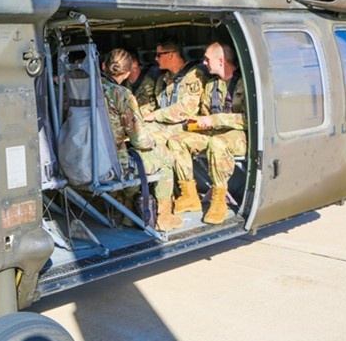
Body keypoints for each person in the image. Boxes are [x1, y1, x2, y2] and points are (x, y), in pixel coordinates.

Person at [101, 48, 182, 232]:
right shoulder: (123, 94)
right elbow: (139, 139)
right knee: (166, 158)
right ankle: (164, 217)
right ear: (129, 71)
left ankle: (129, 210)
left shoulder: (90, 90)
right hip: (115, 164)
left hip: (89, 160)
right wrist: (154, 142)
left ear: (103, 66)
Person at [167, 42, 246, 224]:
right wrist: (196, 123)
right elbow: (205, 114)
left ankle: (219, 201)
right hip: (214, 133)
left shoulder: (244, 84)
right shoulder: (212, 85)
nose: (204, 62)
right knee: (177, 141)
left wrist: (215, 120)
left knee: (217, 143)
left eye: (207, 59)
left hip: (239, 135)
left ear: (221, 61)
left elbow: (251, 119)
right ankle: (189, 194)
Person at [141, 39, 208, 215]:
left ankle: (177, 195)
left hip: (190, 126)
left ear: (171, 54)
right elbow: (156, 104)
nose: (156, 59)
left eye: (159, 54)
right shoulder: (165, 79)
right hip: (168, 124)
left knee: (154, 139)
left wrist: (155, 116)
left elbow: (185, 109)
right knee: (141, 134)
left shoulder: (194, 75)